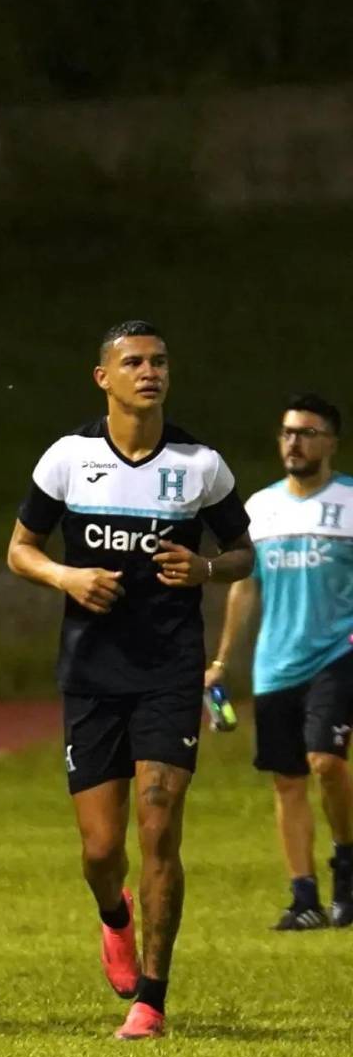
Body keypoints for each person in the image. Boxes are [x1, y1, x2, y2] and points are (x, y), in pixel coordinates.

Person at [7, 321, 253, 1040]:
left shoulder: (200, 464)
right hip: (91, 670)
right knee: (99, 849)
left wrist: (206, 568)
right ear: (103, 378)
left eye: (160, 362)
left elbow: (242, 552)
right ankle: (112, 915)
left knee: (159, 821)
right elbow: (21, 549)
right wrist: (67, 575)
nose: (150, 372)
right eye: (134, 362)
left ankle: (152, 998)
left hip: (170, 668)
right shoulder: (70, 458)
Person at [205, 394, 353, 930]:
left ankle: (347, 864)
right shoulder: (261, 508)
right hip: (276, 664)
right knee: (286, 781)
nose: (294, 441)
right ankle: (304, 899)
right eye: (288, 432)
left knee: (326, 762)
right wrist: (222, 660)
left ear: (330, 443)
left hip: (338, 653)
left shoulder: (349, 501)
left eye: (307, 433)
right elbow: (245, 587)